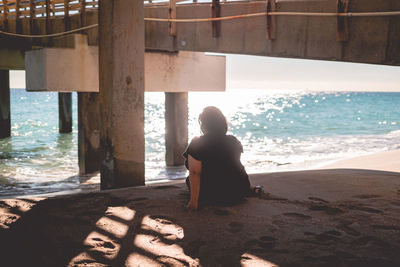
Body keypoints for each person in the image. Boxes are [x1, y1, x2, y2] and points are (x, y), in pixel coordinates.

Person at [183, 106, 262, 211]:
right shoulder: (233, 140)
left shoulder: (197, 142)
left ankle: (249, 189)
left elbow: (195, 172)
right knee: (229, 170)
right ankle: (252, 189)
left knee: (189, 180)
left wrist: (193, 202)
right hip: (238, 193)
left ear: (204, 125)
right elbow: (234, 167)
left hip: (213, 195)